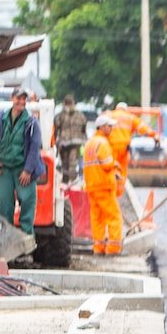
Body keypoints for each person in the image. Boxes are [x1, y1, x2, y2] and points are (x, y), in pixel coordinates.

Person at [0, 88, 44, 232]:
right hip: (3, 170)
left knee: (27, 205)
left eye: (24, 99)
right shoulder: (1, 118)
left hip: (22, 170)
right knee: (4, 206)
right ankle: (6, 241)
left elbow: (34, 148)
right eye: (18, 98)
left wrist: (28, 170)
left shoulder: (31, 122)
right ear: (12, 99)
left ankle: (26, 242)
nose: (21, 102)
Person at [83, 115, 124, 256]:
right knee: (114, 216)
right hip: (104, 186)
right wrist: (116, 165)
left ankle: (98, 247)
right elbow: (106, 165)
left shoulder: (90, 143)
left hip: (92, 187)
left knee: (97, 218)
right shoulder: (103, 143)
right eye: (109, 126)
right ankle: (113, 248)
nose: (111, 128)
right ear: (102, 127)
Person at [53, 95, 87, 181]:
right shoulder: (80, 115)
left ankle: (69, 182)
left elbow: (56, 130)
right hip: (71, 143)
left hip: (70, 144)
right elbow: (84, 129)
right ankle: (69, 182)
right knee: (68, 165)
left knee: (70, 165)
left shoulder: (60, 116)